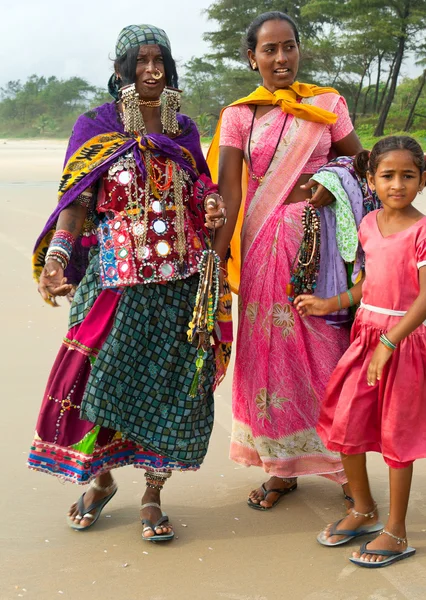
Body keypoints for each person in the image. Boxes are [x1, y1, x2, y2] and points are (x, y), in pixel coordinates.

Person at [28, 24, 231, 542]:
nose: (152, 69)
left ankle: (153, 493)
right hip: (113, 281)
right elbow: (75, 201)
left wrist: (209, 204)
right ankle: (100, 480)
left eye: (159, 59)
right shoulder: (93, 125)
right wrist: (57, 257)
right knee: (96, 378)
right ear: (121, 67)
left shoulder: (182, 128)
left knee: (168, 384)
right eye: (140, 60)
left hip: (178, 282)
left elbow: (200, 187)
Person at [207, 11, 363, 510]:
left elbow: (360, 162)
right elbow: (230, 190)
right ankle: (281, 468)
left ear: (300, 50)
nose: (281, 58)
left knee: (326, 349)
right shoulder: (239, 115)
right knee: (268, 357)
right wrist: (215, 261)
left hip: (319, 253)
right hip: (257, 250)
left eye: (288, 47)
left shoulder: (327, 103)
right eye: (269, 50)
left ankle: (343, 465)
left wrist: (330, 179)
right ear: (251, 58)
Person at [295, 136, 426, 567]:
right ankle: (364, 509)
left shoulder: (422, 230)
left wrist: (390, 343)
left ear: (422, 181)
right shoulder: (368, 224)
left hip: (403, 341)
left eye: (408, 176)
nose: (397, 185)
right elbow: (367, 284)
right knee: (346, 419)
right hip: (366, 334)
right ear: (372, 179)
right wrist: (330, 304)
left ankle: (396, 531)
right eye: (388, 176)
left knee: (396, 435)